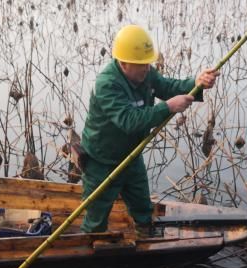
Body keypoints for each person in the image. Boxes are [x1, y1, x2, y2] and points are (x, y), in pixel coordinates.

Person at [80, 24, 219, 235]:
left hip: (131, 156)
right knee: (96, 216)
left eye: (148, 63)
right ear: (124, 63)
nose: (147, 68)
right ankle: (91, 248)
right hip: (102, 161)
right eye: (141, 64)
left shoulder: (145, 74)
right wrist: (168, 106)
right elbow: (129, 120)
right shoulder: (107, 84)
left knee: (143, 207)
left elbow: (167, 87)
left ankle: (146, 240)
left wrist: (197, 83)